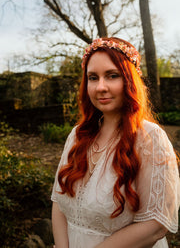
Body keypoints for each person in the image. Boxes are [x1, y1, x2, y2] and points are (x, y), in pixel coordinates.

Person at [51, 37, 180, 248]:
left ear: (129, 80)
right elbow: (58, 202)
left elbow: (156, 224)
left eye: (112, 76)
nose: (100, 87)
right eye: (93, 78)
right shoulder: (77, 135)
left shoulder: (150, 138)